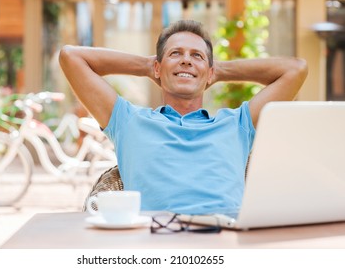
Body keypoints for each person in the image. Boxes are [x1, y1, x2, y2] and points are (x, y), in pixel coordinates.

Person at [59, 19, 308, 215]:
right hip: (155, 244)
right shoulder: (128, 121)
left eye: (196, 55)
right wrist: (148, 66)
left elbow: (295, 70)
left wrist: (216, 70)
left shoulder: (238, 124)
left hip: (226, 244)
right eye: (176, 53)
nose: (186, 60)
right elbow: (71, 57)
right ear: (158, 68)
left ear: (211, 73)